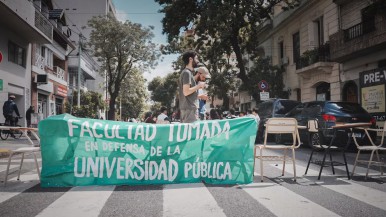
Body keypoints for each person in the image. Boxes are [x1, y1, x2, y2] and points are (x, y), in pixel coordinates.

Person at [178, 50, 207, 123]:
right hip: (190, 109)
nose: (197, 61)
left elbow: (188, 92)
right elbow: (186, 92)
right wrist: (199, 86)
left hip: (188, 109)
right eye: (196, 58)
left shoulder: (187, 73)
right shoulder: (187, 73)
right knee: (192, 133)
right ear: (191, 59)